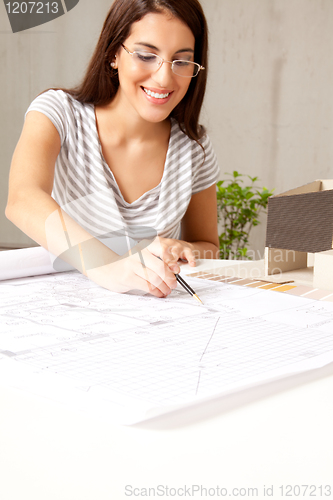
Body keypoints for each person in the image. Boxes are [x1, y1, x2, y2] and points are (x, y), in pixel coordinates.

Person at [6, 0, 220, 298]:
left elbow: (207, 245)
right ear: (113, 54)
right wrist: (107, 266)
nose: (164, 78)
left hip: (157, 320)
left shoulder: (194, 147)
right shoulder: (58, 113)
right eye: (146, 55)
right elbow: (22, 199)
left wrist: (185, 249)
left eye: (182, 61)